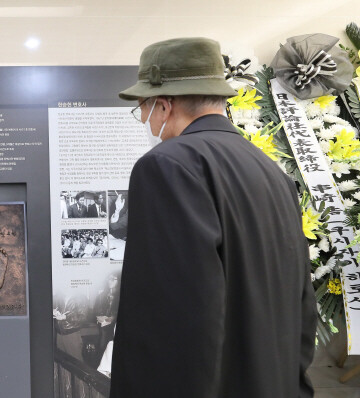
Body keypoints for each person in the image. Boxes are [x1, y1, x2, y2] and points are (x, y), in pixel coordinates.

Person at [110, 38, 317, 398]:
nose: (144, 119)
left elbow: (172, 313)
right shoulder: (271, 172)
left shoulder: (167, 165)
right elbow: (303, 303)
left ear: (164, 105)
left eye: (142, 109)